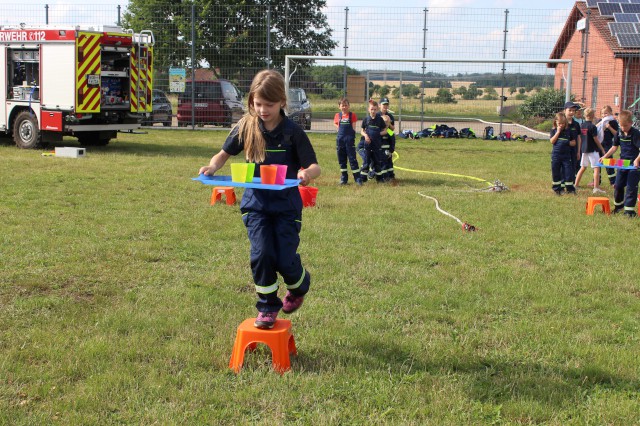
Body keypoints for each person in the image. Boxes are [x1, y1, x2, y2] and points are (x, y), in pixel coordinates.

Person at [198, 70, 321, 329]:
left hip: (286, 207)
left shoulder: (293, 132)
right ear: (251, 101)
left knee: (284, 259)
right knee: (262, 254)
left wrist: (306, 173)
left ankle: (299, 285)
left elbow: (314, 166)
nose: (263, 110)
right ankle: (267, 306)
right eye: (258, 104)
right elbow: (222, 155)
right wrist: (211, 167)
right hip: (256, 206)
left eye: (269, 104)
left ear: (282, 103)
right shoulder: (246, 126)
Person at [600, 110, 640, 217]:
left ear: (631, 123)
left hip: (634, 165)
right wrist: (605, 156)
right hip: (622, 163)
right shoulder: (619, 132)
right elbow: (614, 147)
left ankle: (629, 211)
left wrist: (637, 160)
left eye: (625, 126)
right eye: (621, 126)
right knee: (618, 185)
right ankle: (618, 206)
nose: (623, 128)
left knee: (631, 187)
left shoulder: (636, 134)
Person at [575, 108, 606, 193]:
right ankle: (596, 188)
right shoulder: (593, 127)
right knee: (596, 168)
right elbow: (595, 139)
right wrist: (601, 148)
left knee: (583, 167)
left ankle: (575, 185)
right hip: (593, 150)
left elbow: (580, 138)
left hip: (584, 149)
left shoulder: (581, 126)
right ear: (593, 116)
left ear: (584, 116)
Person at [333, 98, 362, 185]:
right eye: (342, 105)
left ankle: (357, 178)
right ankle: (344, 178)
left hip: (349, 141)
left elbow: (353, 128)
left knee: (352, 159)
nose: (344, 107)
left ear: (349, 106)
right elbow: (335, 123)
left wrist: (350, 136)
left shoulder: (352, 115)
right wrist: (338, 128)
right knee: (342, 160)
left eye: (346, 105)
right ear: (339, 107)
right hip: (340, 141)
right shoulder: (337, 115)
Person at [359, 99, 387, 183]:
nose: (373, 111)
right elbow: (362, 131)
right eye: (371, 109)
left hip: (377, 145)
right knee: (366, 161)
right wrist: (366, 136)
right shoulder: (366, 120)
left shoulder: (380, 120)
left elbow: (385, 131)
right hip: (367, 144)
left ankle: (379, 178)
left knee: (377, 162)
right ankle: (363, 178)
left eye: (375, 109)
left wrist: (378, 134)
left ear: (377, 110)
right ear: (368, 109)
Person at [550, 112, 577, 195]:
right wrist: (557, 132)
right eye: (559, 123)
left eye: (563, 123)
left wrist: (568, 142)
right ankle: (557, 189)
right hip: (556, 155)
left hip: (566, 155)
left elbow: (574, 142)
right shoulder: (553, 130)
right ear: (555, 122)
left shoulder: (568, 131)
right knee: (556, 172)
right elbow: (552, 141)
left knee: (568, 172)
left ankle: (570, 189)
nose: (561, 125)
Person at [596, 105, 618, 187]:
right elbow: (594, 130)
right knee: (597, 162)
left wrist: (609, 127)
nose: (604, 115)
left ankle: (613, 181)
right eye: (602, 113)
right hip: (598, 144)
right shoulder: (600, 121)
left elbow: (617, 134)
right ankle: (597, 181)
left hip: (607, 145)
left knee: (608, 162)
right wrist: (600, 123)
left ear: (610, 113)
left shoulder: (613, 122)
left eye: (606, 113)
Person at [379, 97, 397, 183]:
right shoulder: (377, 115)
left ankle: (390, 175)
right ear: (380, 105)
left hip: (388, 130)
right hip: (379, 133)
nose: (385, 106)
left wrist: (388, 123)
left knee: (391, 136)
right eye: (384, 105)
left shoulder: (390, 116)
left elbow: (392, 129)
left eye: (387, 105)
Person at [564, 102, 582, 178]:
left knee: (574, 166)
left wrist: (578, 151)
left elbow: (578, 138)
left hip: (574, 150)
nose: (572, 112)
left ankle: (572, 182)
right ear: (565, 110)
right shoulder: (561, 123)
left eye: (573, 110)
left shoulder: (576, 124)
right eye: (570, 110)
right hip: (564, 150)